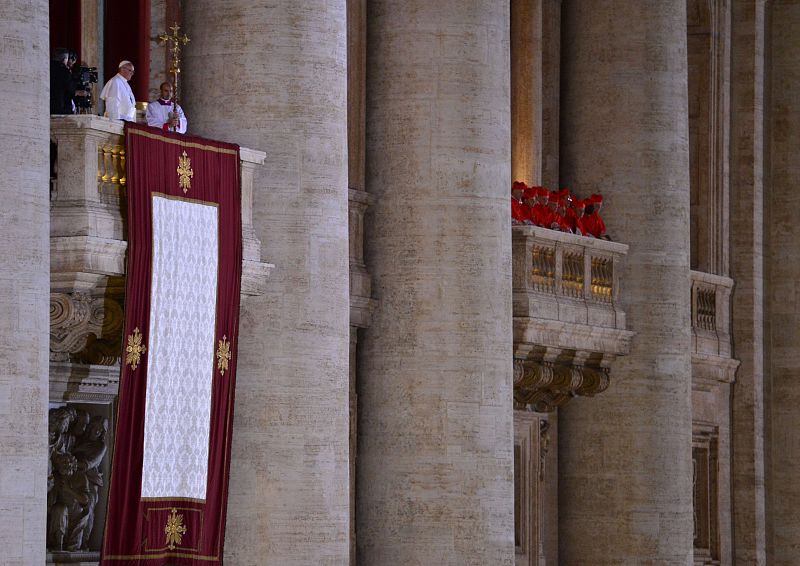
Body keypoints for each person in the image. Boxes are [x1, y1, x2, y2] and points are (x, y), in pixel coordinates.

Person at [50, 48, 76, 115]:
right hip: (61, 108)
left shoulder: (46, 67)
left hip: (46, 107)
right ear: (64, 59)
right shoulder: (64, 72)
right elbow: (70, 90)